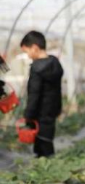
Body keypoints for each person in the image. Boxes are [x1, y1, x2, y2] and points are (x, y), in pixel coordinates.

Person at [20, 30, 64, 158]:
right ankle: (47, 167)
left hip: (39, 113)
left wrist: (28, 116)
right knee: (47, 140)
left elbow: (34, 95)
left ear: (34, 48)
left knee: (42, 146)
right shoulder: (55, 63)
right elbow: (57, 90)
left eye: (27, 51)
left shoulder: (37, 68)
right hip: (52, 111)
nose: (27, 56)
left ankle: (48, 170)